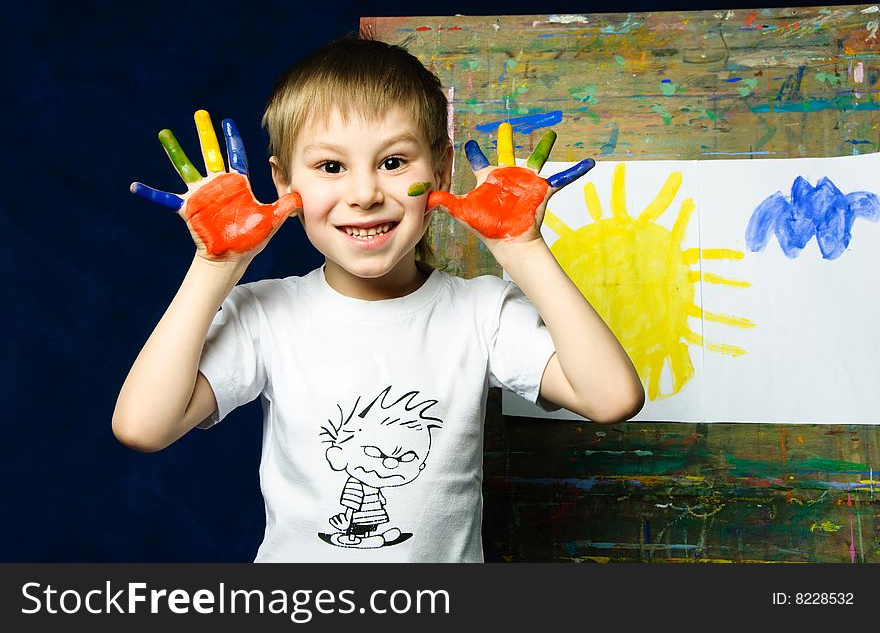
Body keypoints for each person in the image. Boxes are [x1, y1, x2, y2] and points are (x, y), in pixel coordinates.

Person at [113, 36, 644, 562]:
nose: (365, 194)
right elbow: (143, 426)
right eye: (330, 167)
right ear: (282, 182)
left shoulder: (482, 312)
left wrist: (522, 248)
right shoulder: (267, 315)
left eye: (393, 162)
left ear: (440, 172)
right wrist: (217, 265)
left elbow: (610, 398)